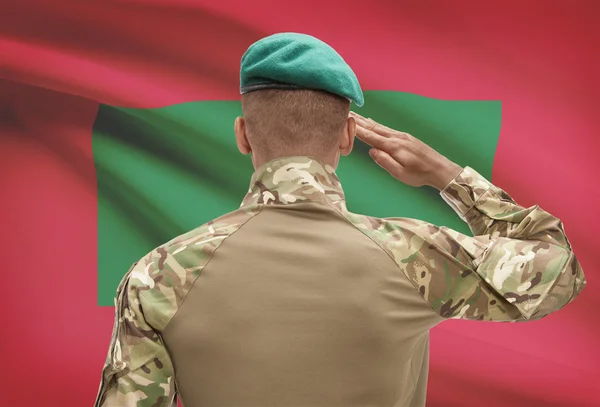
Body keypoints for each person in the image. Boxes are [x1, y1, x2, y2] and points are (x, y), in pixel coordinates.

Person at [94, 32, 586, 407]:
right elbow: (559, 268)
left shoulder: (157, 275)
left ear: (243, 135)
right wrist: (448, 175)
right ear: (349, 136)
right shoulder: (415, 256)